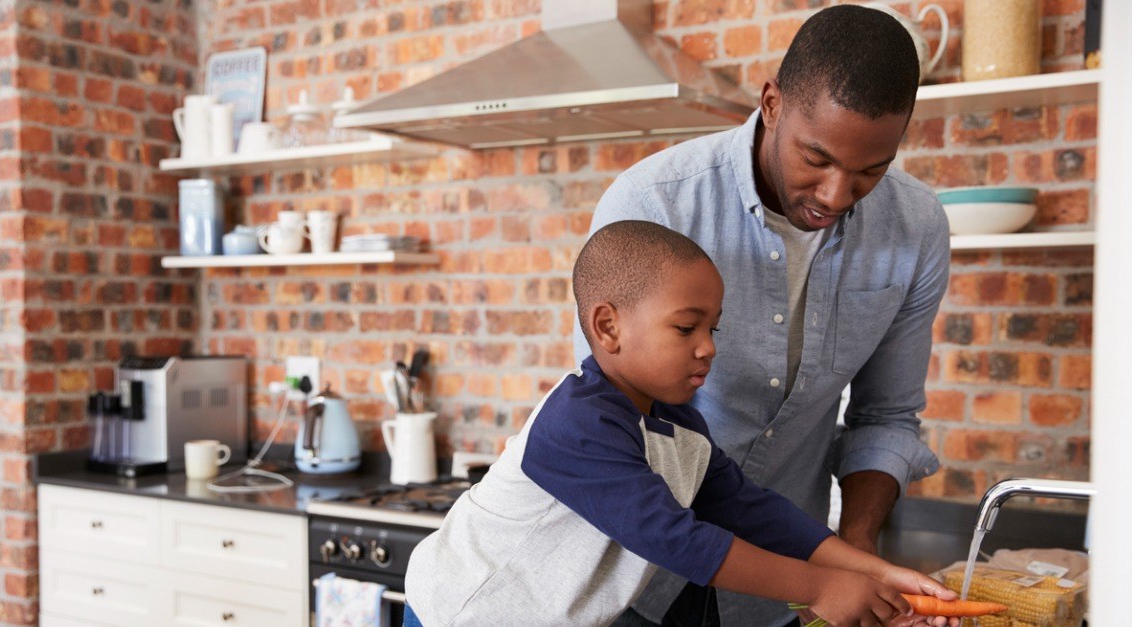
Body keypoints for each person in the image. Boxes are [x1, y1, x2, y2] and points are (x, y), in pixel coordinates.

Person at [574, 5, 952, 626]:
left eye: (870, 171)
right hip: (629, 588)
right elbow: (630, 461)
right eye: (817, 158)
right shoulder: (653, 205)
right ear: (772, 102)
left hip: (777, 599)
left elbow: (884, 416)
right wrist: (823, 581)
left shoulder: (915, 230)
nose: (836, 195)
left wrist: (860, 562)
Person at [403, 221, 959, 627]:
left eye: (713, 329)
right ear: (608, 327)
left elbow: (749, 511)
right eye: (686, 328)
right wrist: (823, 587)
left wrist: (875, 573)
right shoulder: (577, 423)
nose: (707, 349)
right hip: (460, 615)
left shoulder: (679, 426)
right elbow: (676, 539)